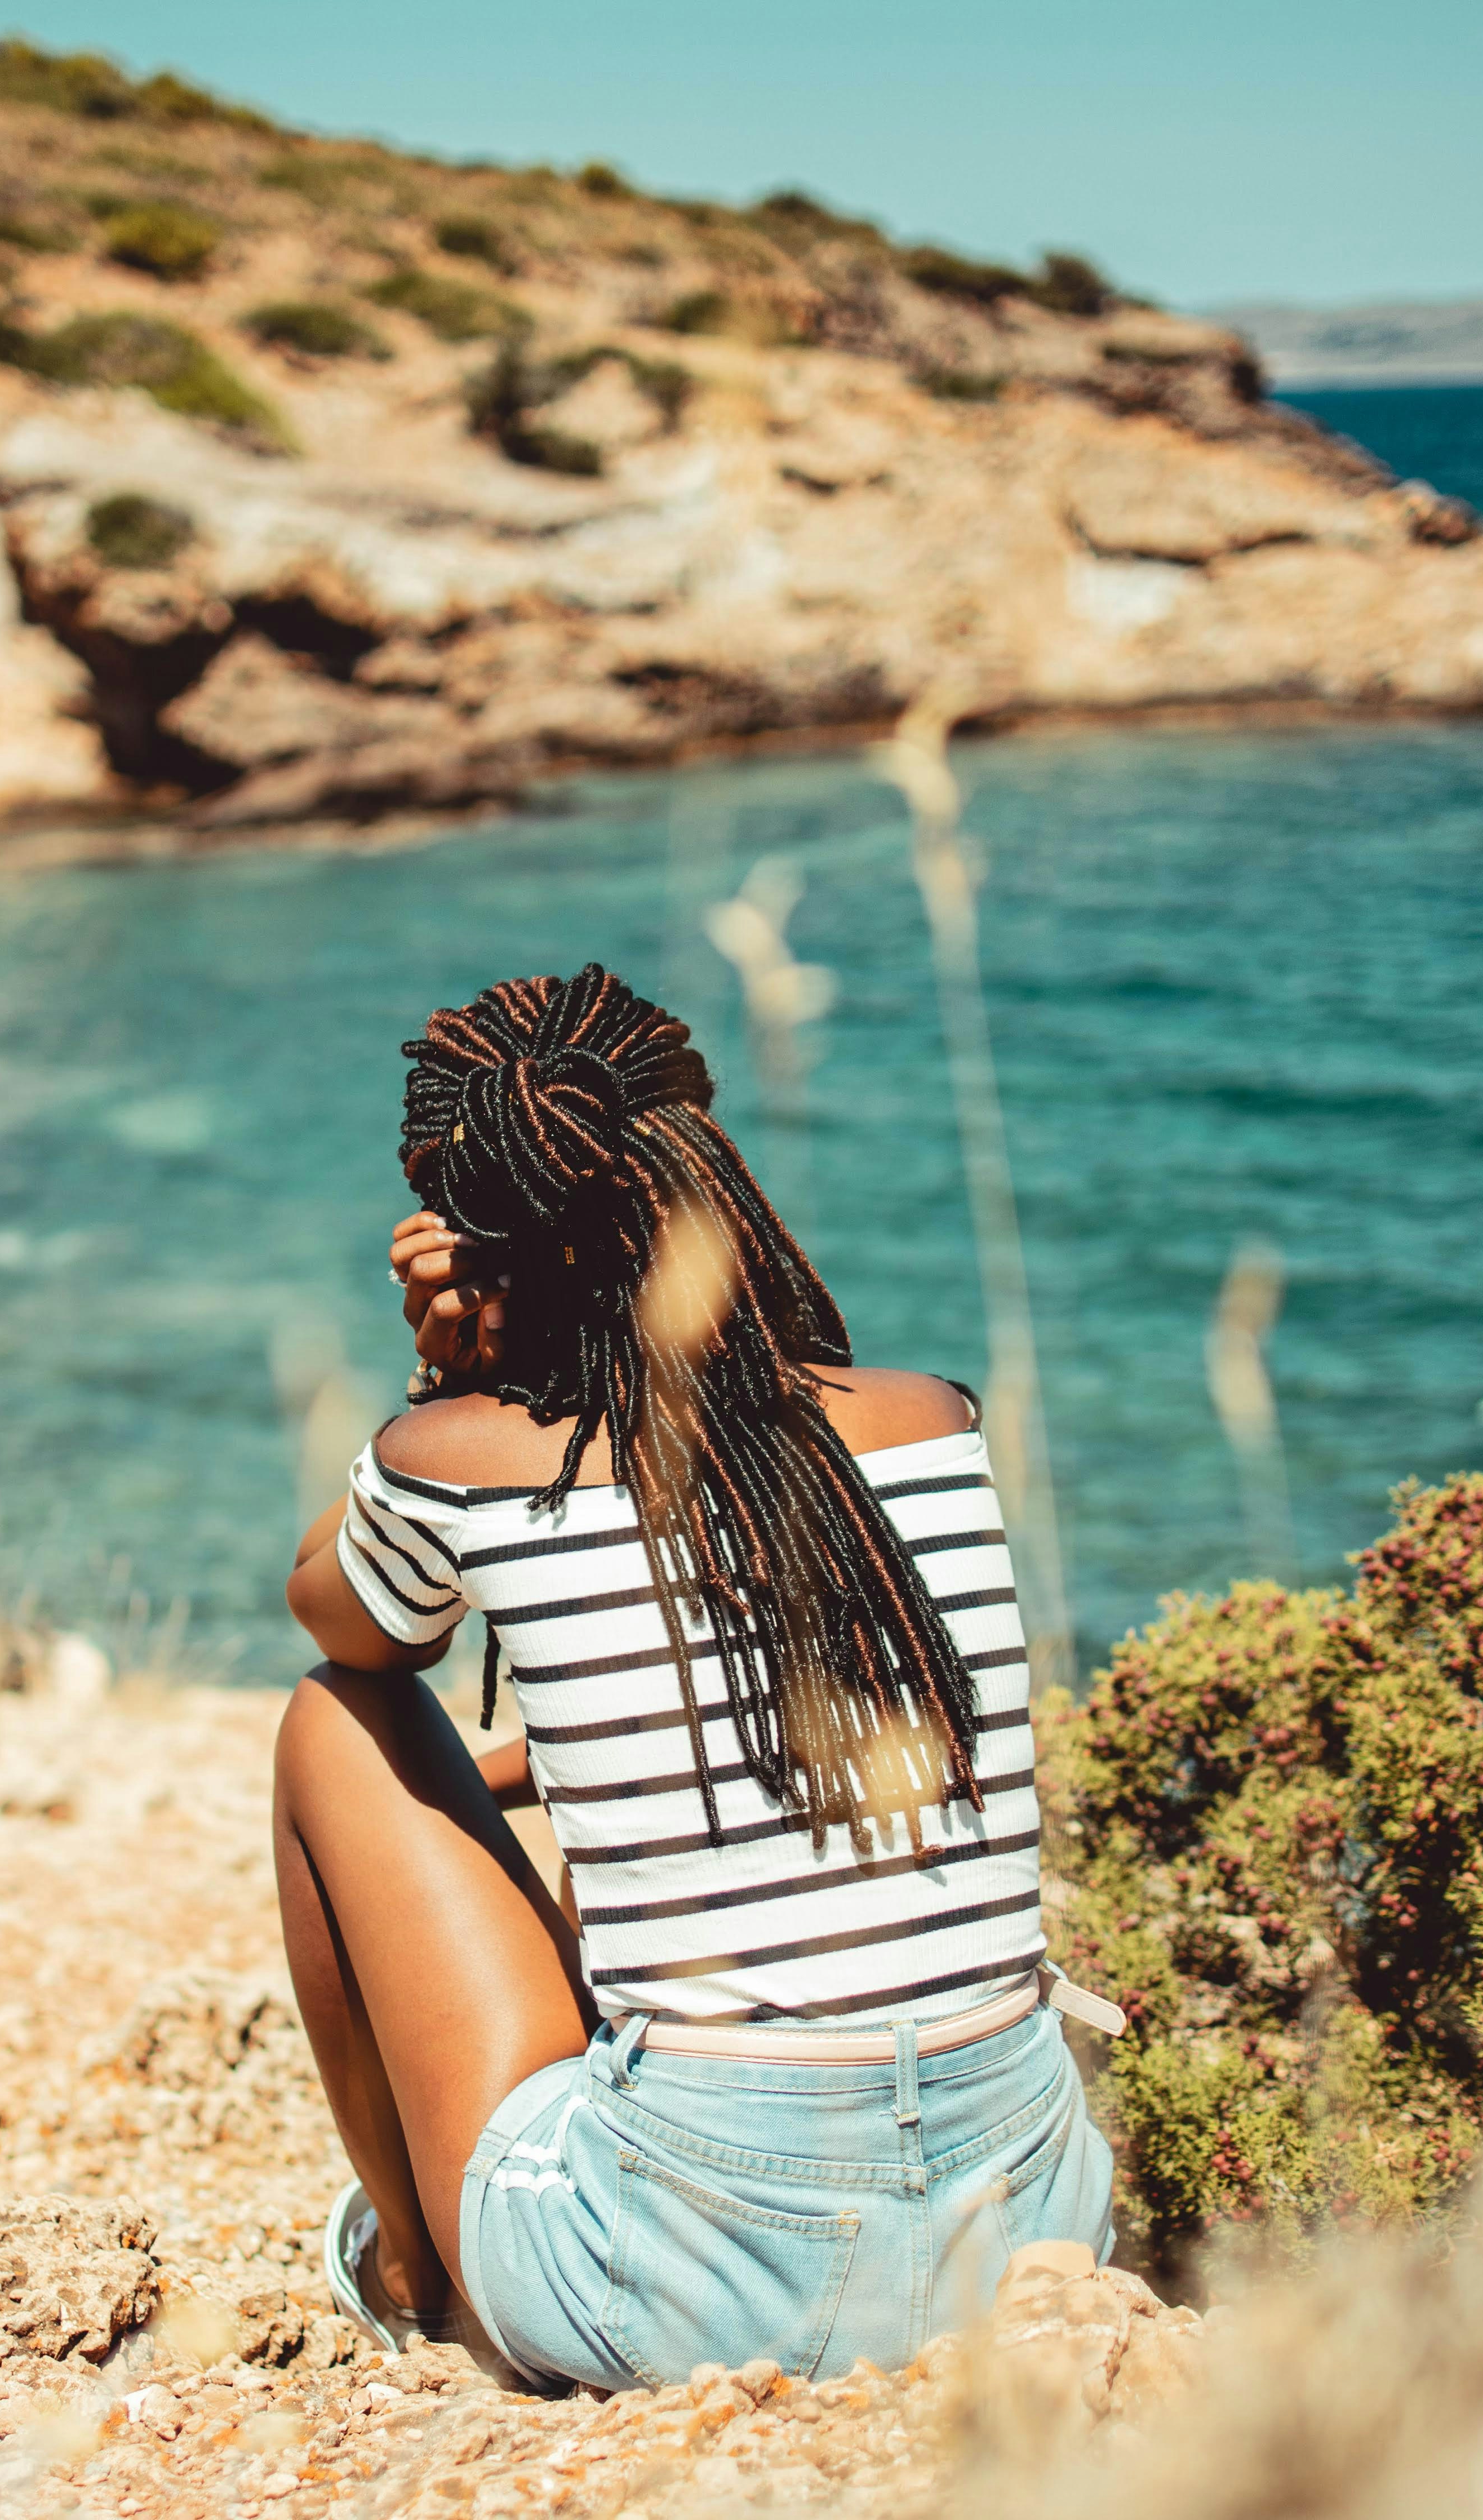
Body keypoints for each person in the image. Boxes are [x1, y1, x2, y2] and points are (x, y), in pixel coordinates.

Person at [278, 964, 1115, 2396]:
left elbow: (355, 1632)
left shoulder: (462, 1457)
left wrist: (446, 1385)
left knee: (332, 1721)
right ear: (703, 1166)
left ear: (466, 1234)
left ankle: (420, 2274)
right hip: (1027, 2240)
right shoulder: (929, 1420)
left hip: (682, 2286)